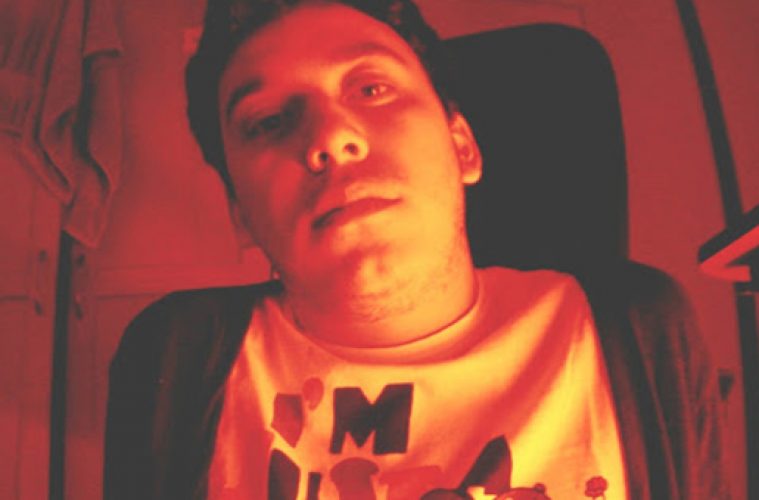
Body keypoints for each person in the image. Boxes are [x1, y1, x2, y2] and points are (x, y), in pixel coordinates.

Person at [104, 0, 727, 499]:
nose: (331, 138)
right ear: (241, 212)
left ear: (463, 147)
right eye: (268, 121)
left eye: (371, 89)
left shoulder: (638, 330)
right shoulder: (174, 357)